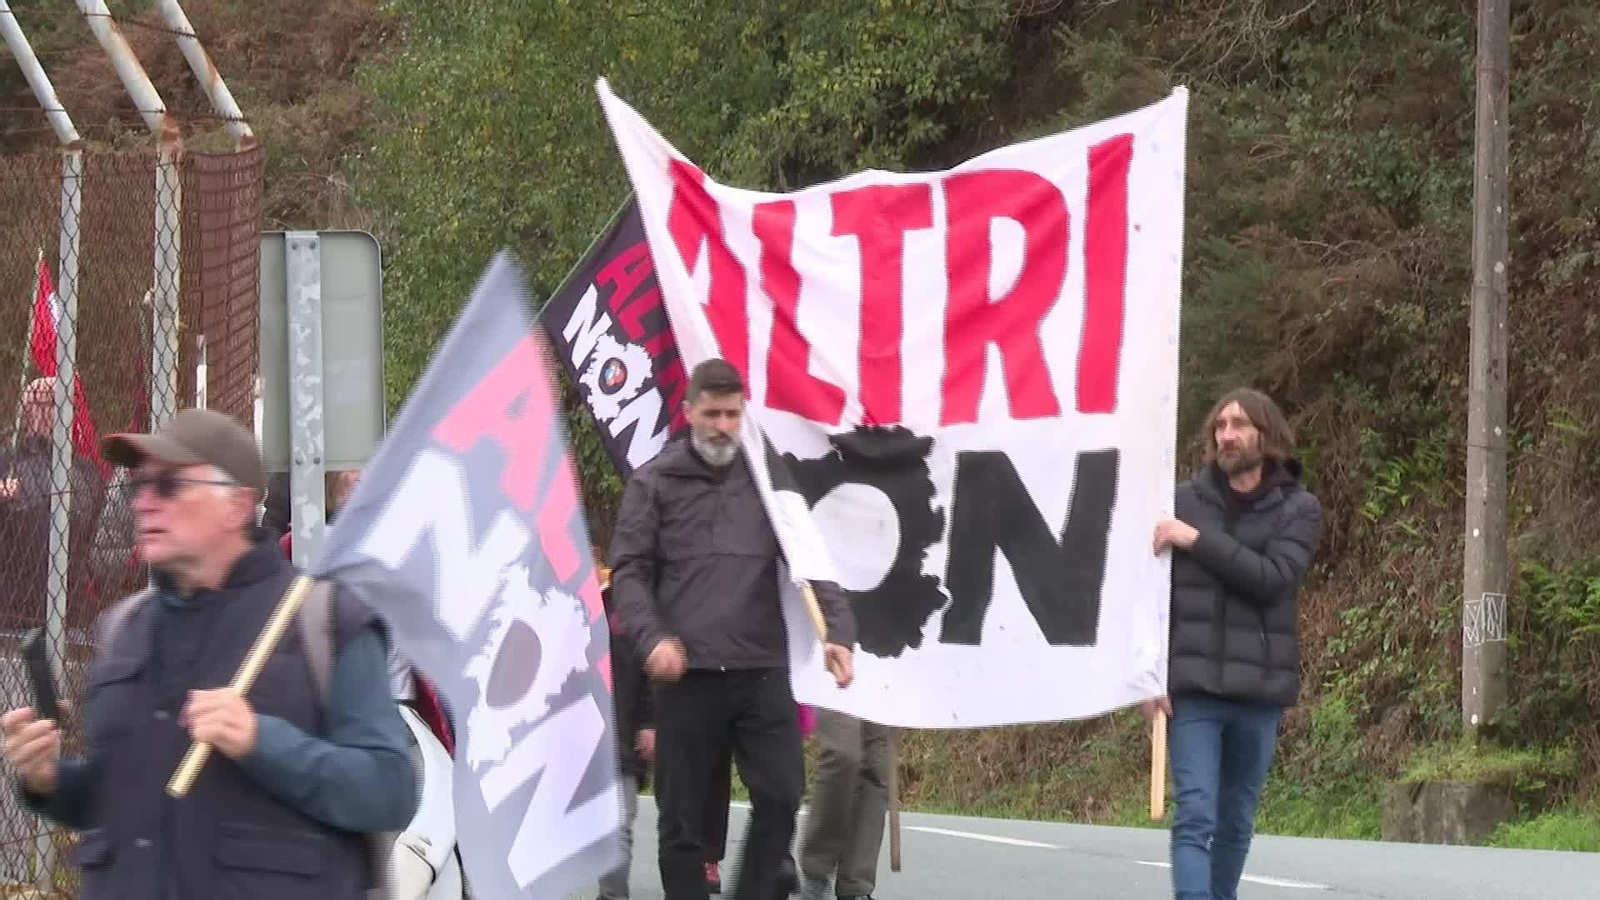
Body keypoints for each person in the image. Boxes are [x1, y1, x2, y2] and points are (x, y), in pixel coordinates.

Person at [0, 408, 417, 899]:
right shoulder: (122, 630)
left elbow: (389, 791)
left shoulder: (323, 621)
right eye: (140, 486)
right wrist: (49, 780)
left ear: (237, 504)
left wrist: (261, 740)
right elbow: (121, 806)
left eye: (170, 486)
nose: (145, 503)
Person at [609, 358, 857, 900]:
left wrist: (838, 632)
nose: (723, 426)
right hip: (686, 676)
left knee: (781, 796)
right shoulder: (655, 483)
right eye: (712, 414)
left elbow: (811, 557)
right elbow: (628, 571)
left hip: (760, 670)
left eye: (732, 414)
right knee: (683, 819)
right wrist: (653, 639)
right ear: (688, 412)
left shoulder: (769, 481)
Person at [1141, 388, 1322, 900]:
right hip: (1192, 689)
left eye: (1239, 424)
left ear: (1267, 434)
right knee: (1195, 814)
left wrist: (1195, 540)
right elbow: (1146, 593)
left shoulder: (1299, 509)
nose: (1227, 435)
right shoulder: (1179, 502)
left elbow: (1273, 579)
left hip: (1259, 692)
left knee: (1236, 819)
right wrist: (1146, 676)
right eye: (1220, 426)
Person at [598, 555, 655, 900]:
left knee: (618, 824)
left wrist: (649, 722)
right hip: (567, 739)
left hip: (621, 735)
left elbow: (649, 665)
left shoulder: (627, 603)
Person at [797, 709, 890, 900]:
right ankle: (816, 874)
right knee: (842, 754)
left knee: (876, 766)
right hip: (835, 690)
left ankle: (855, 887)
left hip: (885, 690)